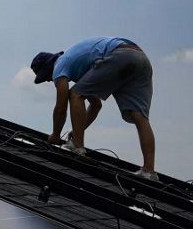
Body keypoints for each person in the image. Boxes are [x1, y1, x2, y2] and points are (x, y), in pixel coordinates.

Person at [29, 37, 157, 181]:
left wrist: (55, 135)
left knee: (75, 94)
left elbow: (61, 106)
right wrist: (77, 130)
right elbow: (96, 105)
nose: (48, 80)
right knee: (139, 116)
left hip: (119, 54)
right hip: (140, 58)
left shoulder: (60, 65)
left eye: (46, 76)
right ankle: (149, 171)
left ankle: (78, 147)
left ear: (48, 68)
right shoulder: (79, 66)